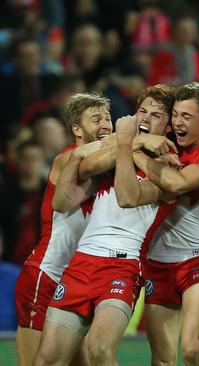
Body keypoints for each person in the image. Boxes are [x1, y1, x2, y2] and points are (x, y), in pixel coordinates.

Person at [33, 85, 177, 366]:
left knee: (98, 350)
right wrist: (118, 146)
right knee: (46, 360)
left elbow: (126, 195)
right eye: (142, 111)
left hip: (122, 266)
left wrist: (126, 144)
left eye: (156, 115)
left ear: (170, 126)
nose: (145, 119)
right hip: (81, 263)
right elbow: (67, 192)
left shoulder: (169, 168)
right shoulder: (117, 147)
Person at [128, 82, 199, 366]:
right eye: (176, 115)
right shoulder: (161, 146)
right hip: (156, 263)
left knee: (193, 349)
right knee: (162, 360)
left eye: (187, 116)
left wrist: (132, 151)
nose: (178, 122)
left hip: (198, 260)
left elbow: (174, 184)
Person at [14, 92, 112, 366]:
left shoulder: (111, 166)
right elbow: (90, 157)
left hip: (77, 283)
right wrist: (130, 140)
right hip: (45, 276)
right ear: (76, 130)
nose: (105, 124)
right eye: (96, 119)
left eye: (108, 118)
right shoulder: (66, 159)